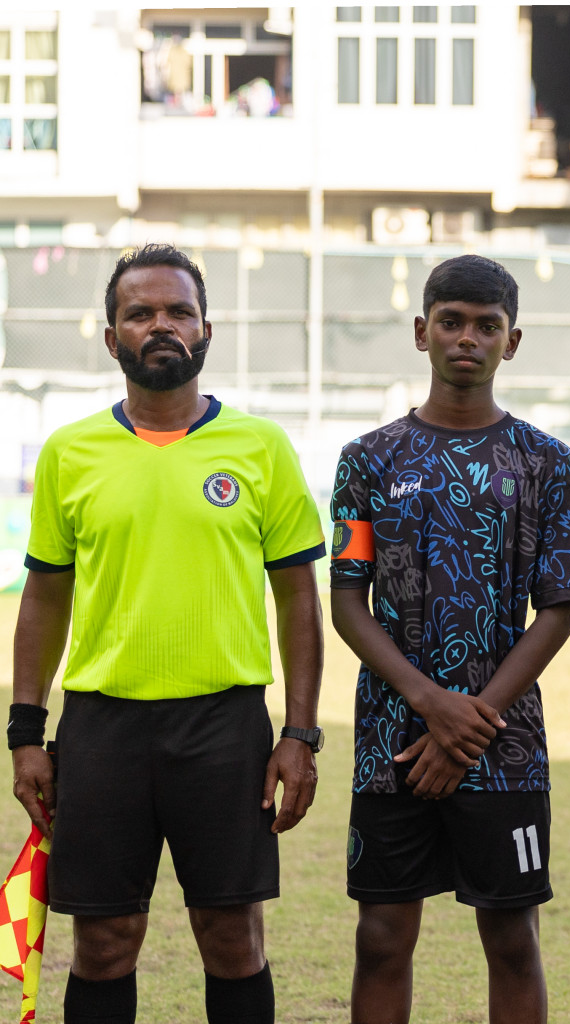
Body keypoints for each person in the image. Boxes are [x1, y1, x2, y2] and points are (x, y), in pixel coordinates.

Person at [9, 244, 325, 1024]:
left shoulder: (260, 448)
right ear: (110, 334)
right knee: (106, 942)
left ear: (207, 329)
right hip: (102, 726)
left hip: (225, 726)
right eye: (140, 312)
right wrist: (24, 732)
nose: (161, 325)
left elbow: (298, 603)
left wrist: (301, 734)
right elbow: (44, 601)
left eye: (178, 311)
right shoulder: (70, 453)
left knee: (231, 936)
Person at [329, 255, 570, 1024]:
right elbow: (349, 602)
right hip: (391, 739)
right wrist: (428, 705)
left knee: (512, 937)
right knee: (381, 936)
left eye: (487, 326)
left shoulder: (546, 462)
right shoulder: (368, 460)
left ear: (512, 342)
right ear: (422, 332)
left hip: (502, 742)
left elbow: (557, 611)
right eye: (451, 321)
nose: (467, 338)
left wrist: (469, 725)